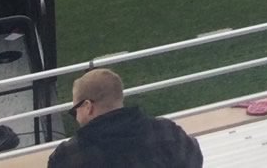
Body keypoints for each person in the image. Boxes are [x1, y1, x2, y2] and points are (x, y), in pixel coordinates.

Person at [50, 68, 202, 168]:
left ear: (88, 106)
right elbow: (194, 159)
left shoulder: (67, 156)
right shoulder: (167, 131)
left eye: (75, 111)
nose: (76, 116)